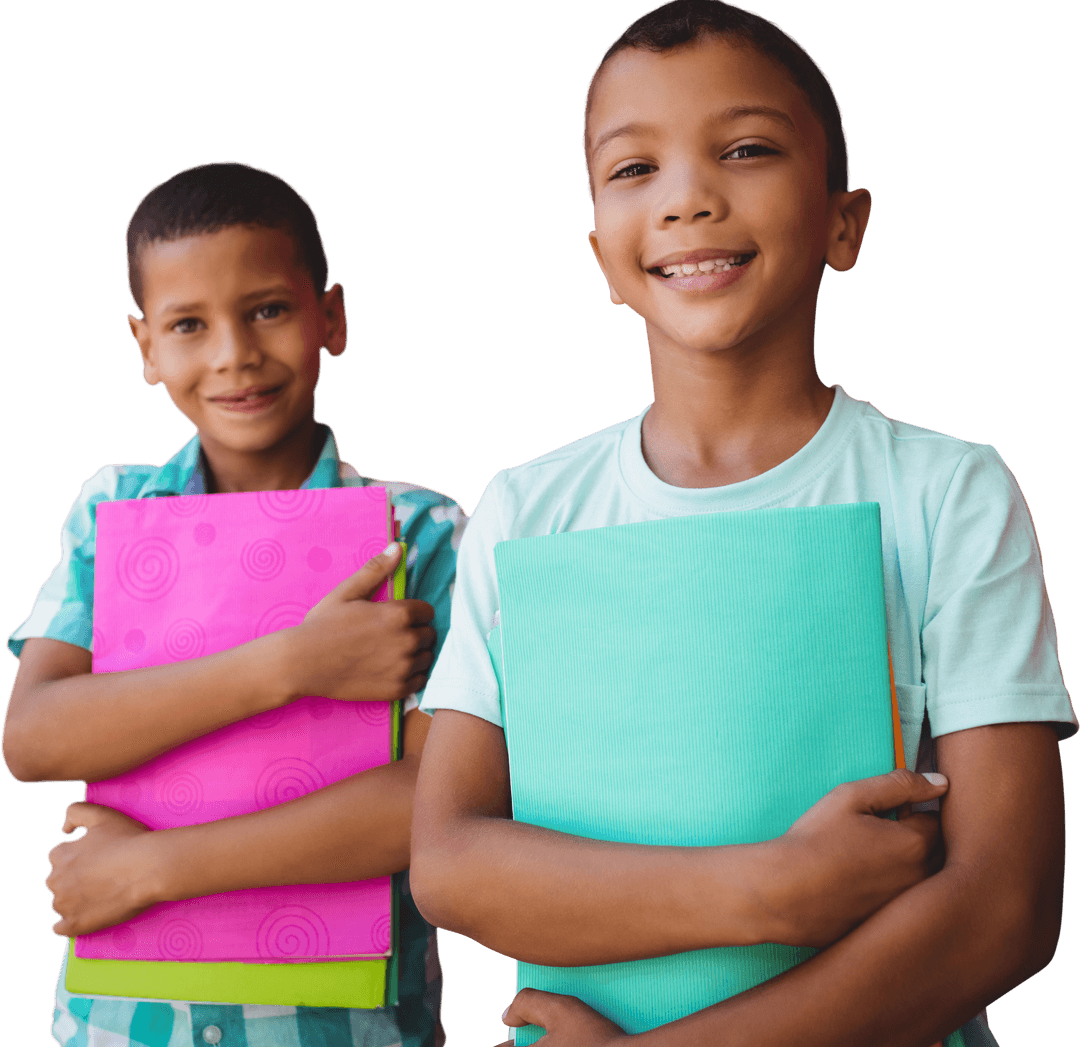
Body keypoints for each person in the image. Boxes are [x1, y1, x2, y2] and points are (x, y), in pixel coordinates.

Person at [408, 3, 1075, 1046]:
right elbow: (450, 863)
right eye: (636, 170)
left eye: (747, 149)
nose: (688, 198)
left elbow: (1008, 910)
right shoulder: (526, 510)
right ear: (602, 258)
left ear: (843, 222)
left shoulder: (951, 493)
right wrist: (773, 890)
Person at [2, 161, 464, 1047]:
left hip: (345, 1024)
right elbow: (32, 737)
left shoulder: (424, 531)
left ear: (330, 316)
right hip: (120, 1024)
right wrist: (295, 664)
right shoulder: (115, 511)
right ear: (145, 348)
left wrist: (152, 869)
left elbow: (436, 799)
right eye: (188, 324)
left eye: (268, 310)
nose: (234, 354)